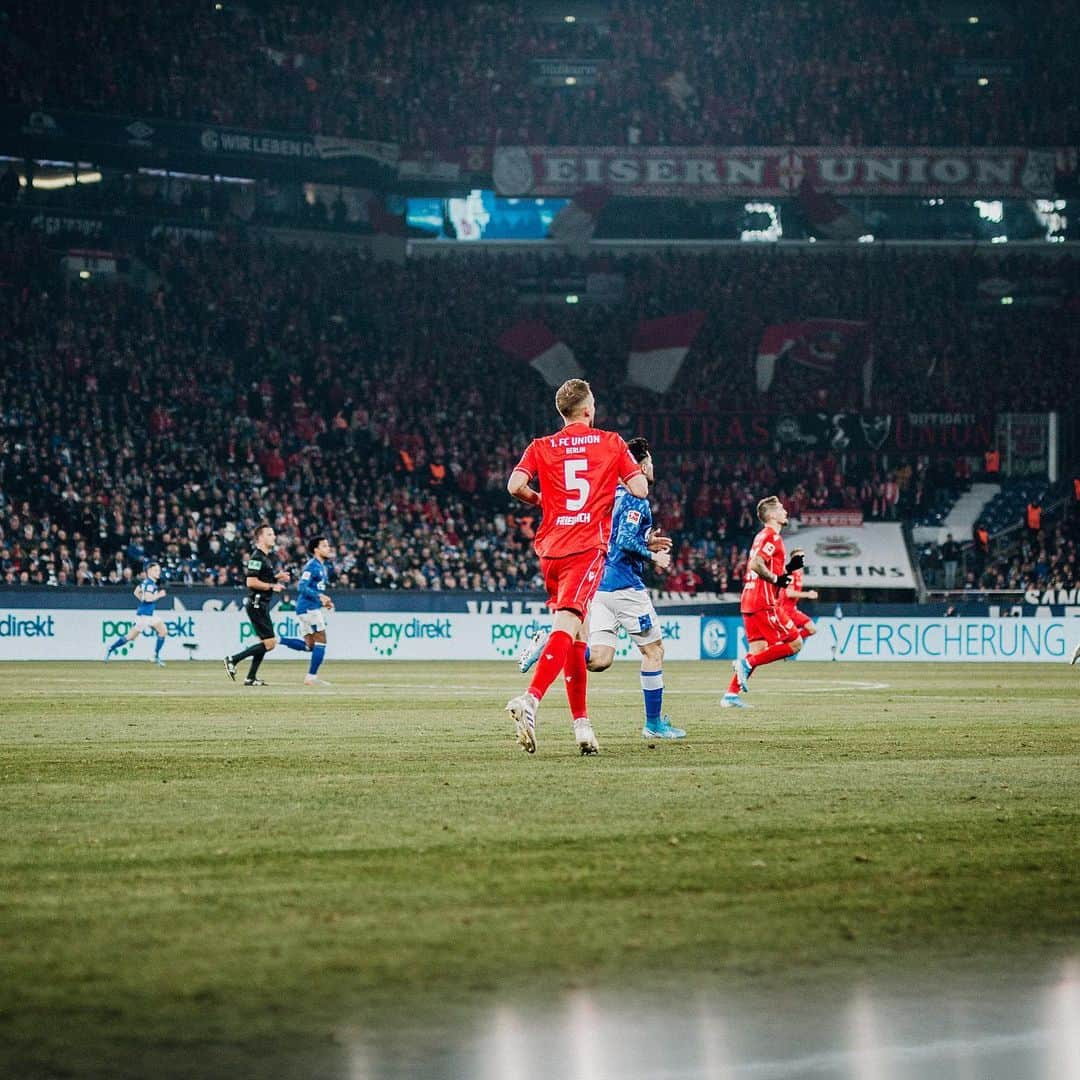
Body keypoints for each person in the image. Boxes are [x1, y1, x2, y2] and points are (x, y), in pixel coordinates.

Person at [504, 378, 647, 755]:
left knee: (579, 634)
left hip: (550, 548)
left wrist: (541, 501)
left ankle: (583, 728)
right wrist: (614, 477)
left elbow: (514, 485)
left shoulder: (542, 446)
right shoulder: (611, 442)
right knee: (568, 623)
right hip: (585, 547)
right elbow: (640, 490)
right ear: (588, 409)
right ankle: (530, 700)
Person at [517, 436, 683, 740]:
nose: (652, 466)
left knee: (600, 659)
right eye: (650, 461)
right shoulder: (636, 498)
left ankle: (551, 646)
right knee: (654, 651)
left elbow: (616, 535)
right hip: (624, 586)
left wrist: (645, 542)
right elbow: (623, 541)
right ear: (641, 465)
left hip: (599, 585)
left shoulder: (611, 494)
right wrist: (652, 554)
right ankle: (654, 723)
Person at [722, 495, 804, 708]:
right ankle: (746, 663)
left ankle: (730, 694)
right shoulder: (772, 537)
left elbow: (762, 564)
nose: (785, 511)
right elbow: (756, 564)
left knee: (758, 649)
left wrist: (784, 572)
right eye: (782, 509)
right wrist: (777, 579)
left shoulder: (760, 536)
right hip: (763, 601)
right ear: (773, 515)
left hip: (749, 600)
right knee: (795, 643)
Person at [223, 523, 290, 686]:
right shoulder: (257, 557)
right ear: (260, 538)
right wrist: (272, 586)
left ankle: (250, 677)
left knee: (266, 643)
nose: (273, 537)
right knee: (270, 643)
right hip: (256, 604)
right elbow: (251, 581)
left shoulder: (265, 558)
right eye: (269, 534)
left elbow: (261, 578)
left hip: (261, 604)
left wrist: (276, 578)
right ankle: (232, 659)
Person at [277, 535, 335, 686]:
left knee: (309, 646)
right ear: (316, 550)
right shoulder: (312, 566)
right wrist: (319, 596)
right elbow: (301, 587)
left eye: (328, 545)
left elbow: (316, 590)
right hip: (308, 609)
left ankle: (277, 640)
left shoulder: (322, 567)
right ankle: (311, 677)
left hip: (309, 608)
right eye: (324, 546)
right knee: (321, 640)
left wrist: (324, 601)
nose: (328, 548)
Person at [104, 561, 168, 665]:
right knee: (130, 637)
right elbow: (148, 599)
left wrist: (143, 600)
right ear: (149, 571)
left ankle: (155, 656)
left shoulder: (145, 583)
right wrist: (159, 595)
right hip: (144, 616)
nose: (158, 572)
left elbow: (136, 592)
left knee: (163, 630)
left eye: (159, 570)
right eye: (156, 570)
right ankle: (111, 648)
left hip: (149, 614)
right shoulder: (150, 585)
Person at [778, 560, 818, 650]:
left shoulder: (798, 574)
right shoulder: (791, 574)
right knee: (811, 628)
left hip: (791, 610)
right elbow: (789, 593)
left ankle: (786, 643)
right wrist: (808, 594)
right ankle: (784, 644)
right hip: (786, 611)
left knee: (811, 629)